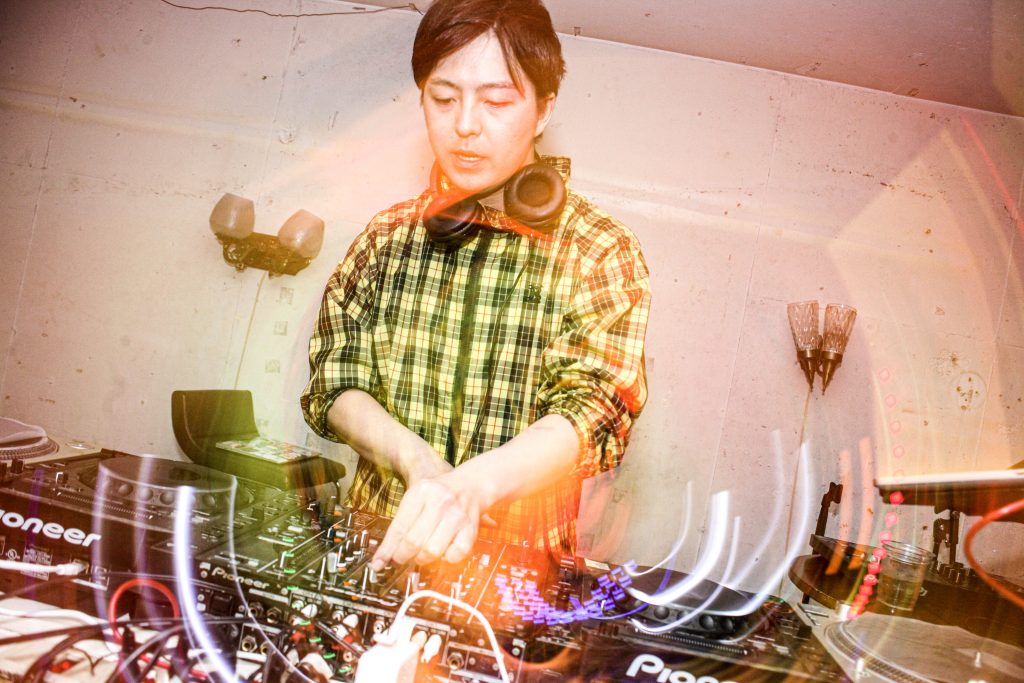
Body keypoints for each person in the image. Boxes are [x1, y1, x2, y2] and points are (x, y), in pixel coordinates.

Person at [301, 0, 650, 572]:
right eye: (443, 99)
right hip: (379, 547)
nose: (465, 125)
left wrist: (470, 488)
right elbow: (335, 383)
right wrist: (418, 464)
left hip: (517, 575)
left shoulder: (600, 249)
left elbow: (593, 410)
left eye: (496, 101)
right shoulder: (385, 238)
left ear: (543, 110)